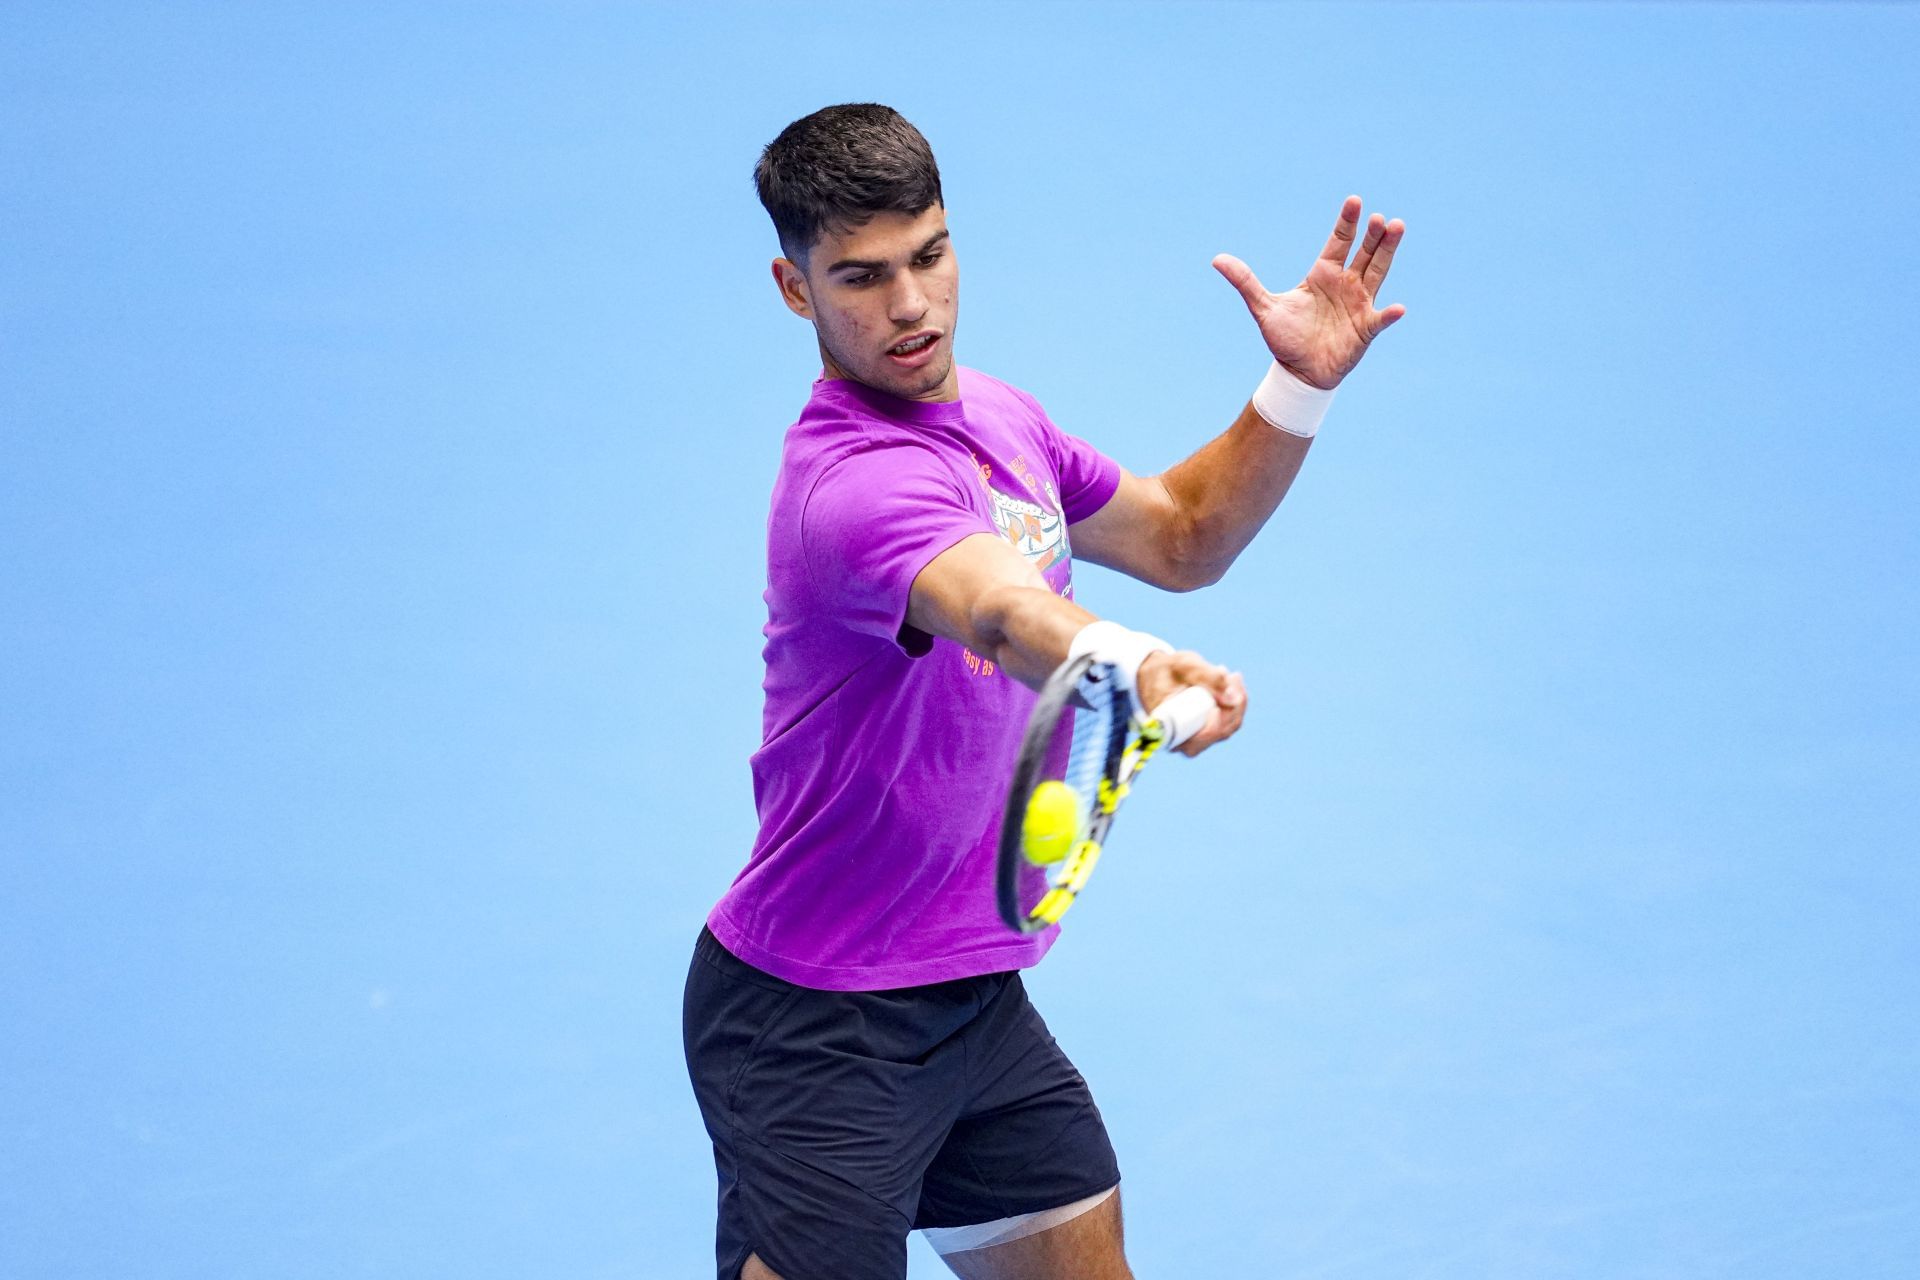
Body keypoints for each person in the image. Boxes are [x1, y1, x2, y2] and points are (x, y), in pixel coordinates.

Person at [683, 103, 1406, 1280]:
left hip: (969, 996)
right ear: (791, 286)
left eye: (928, 254)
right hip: (813, 1026)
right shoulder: (853, 488)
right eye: (860, 278)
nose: (910, 305)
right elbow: (1004, 610)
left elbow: (1182, 535)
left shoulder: (1001, 419)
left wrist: (1293, 392)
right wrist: (1133, 665)